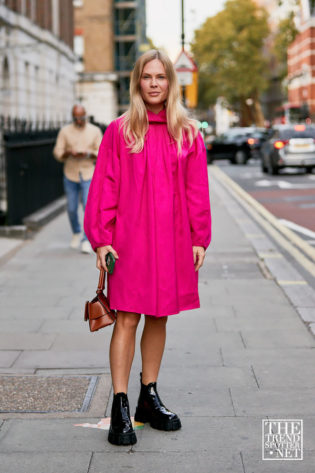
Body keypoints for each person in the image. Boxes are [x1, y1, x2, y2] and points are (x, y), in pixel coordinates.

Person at [84, 50, 211, 446]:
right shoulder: (119, 131)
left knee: (160, 317)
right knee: (127, 318)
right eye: (147, 76)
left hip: (173, 240)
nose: (154, 83)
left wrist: (198, 237)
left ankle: (148, 396)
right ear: (137, 82)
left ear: (171, 83)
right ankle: (120, 403)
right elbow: (104, 186)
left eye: (162, 77)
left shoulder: (187, 133)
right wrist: (101, 238)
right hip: (130, 242)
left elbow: (196, 191)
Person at [53, 105, 103, 254]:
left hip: (88, 173)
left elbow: (101, 151)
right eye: (76, 118)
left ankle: (86, 240)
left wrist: (88, 154)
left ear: (86, 116)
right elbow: (57, 152)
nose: (79, 121)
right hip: (71, 173)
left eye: (82, 118)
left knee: (89, 207)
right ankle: (76, 231)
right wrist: (68, 152)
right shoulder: (65, 131)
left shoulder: (94, 131)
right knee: (71, 208)